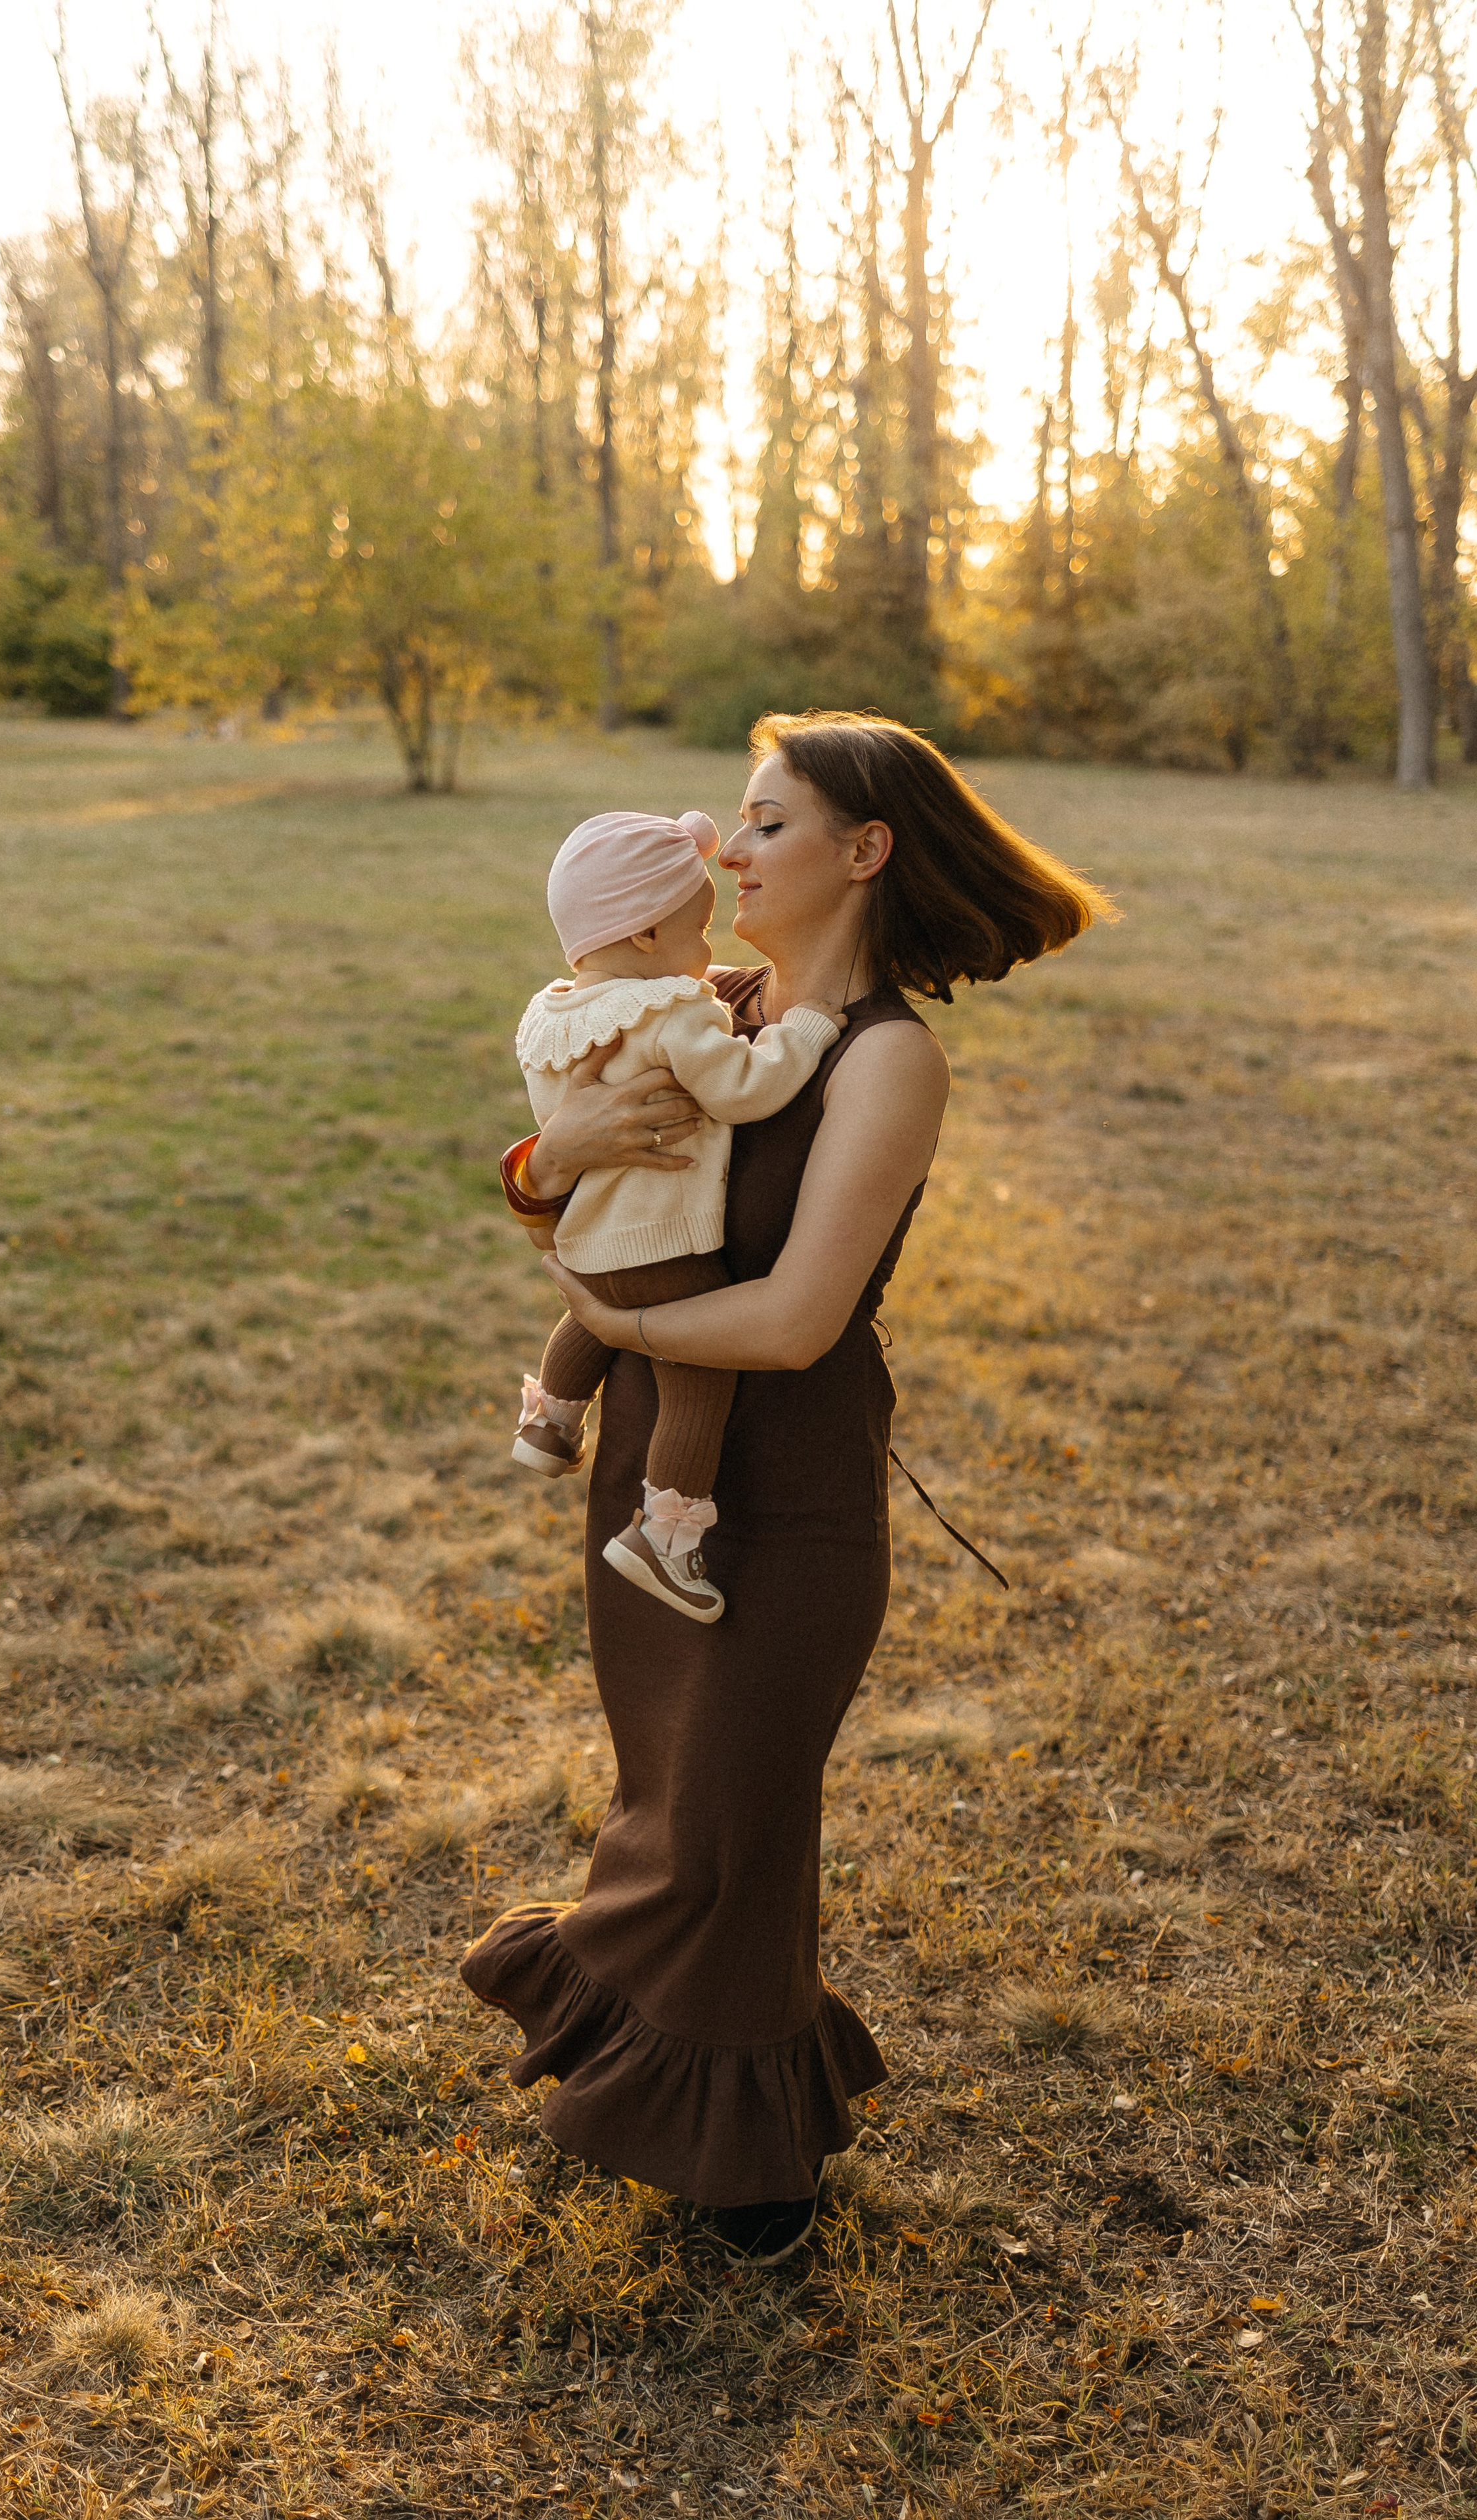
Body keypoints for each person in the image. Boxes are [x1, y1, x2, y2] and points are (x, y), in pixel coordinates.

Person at [463, 711, 1112, 2265]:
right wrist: (540, 1170)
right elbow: (574, 1175)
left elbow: (793, 1316)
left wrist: (607, 1324)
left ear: (859, 850)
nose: (725, 850)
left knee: (735, 1825)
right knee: (667, 1787)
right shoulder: (715, 1001)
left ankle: (751, 2158)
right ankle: (651, 2073)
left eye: (761, 822)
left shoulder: (886, 1059)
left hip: (787, 1477)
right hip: (654, 1464)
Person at [511, 805, 842, 1624]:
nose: (709, 950)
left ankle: (550, 1421)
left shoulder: (548, 1014)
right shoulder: (677, 1008)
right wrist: (801, 1032)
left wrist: (547, 1162)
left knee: (594, 1309)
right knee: (697, 1381)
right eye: (698, 930)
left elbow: (551, 1139)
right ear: (650, 940)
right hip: (664, 1239)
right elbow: (743, 1087)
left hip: (591, 1236)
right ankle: (665, 1534)